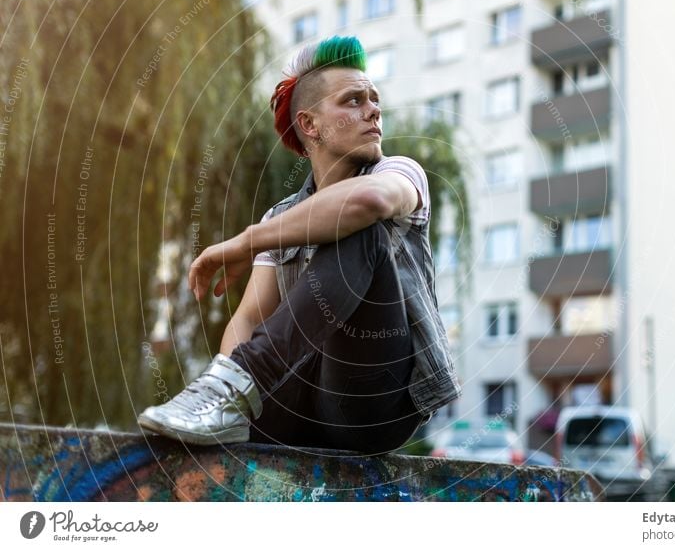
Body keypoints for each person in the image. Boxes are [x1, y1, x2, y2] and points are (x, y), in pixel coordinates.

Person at [137, 36, 461, 454]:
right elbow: (249, 317)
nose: (374, 110)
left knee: (361, 228)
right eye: (354, 100)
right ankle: (224, 399)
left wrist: (246, 241)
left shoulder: (400, 173)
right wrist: (227, 390)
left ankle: (236, 388)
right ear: (310, 125)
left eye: (374, 99)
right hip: (297, 407)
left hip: (372, 406)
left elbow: (369, 202)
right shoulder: (281, 217)